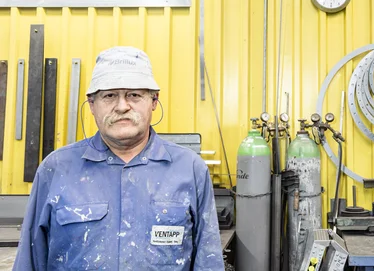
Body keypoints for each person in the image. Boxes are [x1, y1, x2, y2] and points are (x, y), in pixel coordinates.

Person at [14, 46, 225, 270]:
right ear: (92, 105)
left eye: (134, 95)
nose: (122, 106)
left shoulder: (189, 169)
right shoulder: (56, 169)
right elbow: (30, 259)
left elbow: (208, 261)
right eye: (109, 95)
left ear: (153, 101)